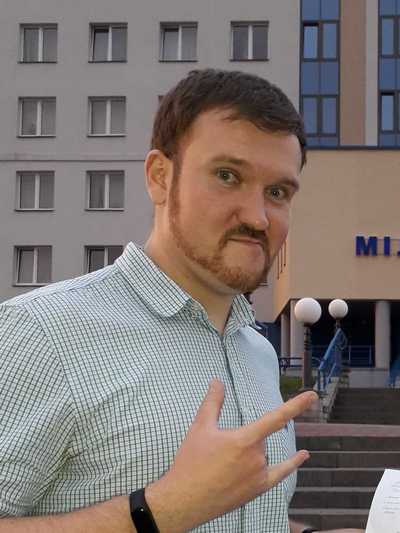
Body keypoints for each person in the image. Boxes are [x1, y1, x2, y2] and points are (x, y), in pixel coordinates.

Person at [0, 69, 358, 533]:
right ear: (159, 176)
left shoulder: (258, 354)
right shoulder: (42, 335)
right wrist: (161, 510)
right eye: (227, 175)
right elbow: (185, 506)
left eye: (277, 192)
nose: (257, 216)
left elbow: (237, 515)